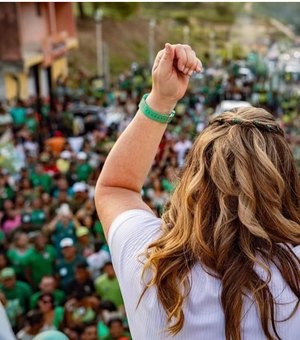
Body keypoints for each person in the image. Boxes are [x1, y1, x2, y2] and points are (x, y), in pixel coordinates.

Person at [94, 43, 300, 339]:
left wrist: (161, 99)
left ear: (192, 178)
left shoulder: (150, 264)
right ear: (285, 182)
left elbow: (115, 188)